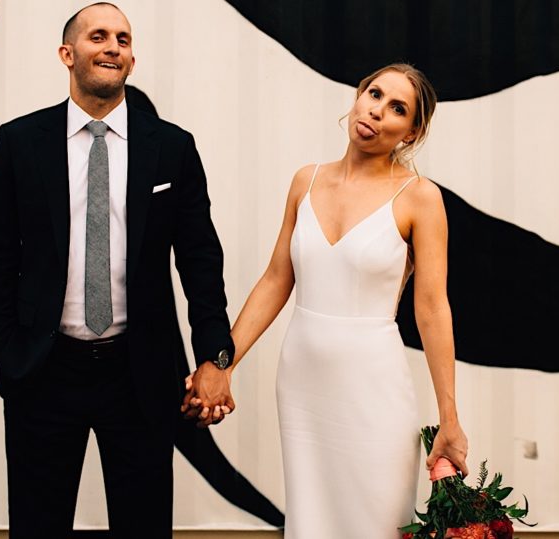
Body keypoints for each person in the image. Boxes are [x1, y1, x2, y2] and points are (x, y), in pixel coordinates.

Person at [0, 2, 235, 538]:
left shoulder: (172, 148)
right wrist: (8, 352)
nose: (112, 46)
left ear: (132, 61)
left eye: (123, 38)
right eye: (98, 36)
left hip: (139, 373)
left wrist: (214, 357)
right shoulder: (19, 142)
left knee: (143, 526)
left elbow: (201, 262)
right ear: (68, 54)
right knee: (37, 525)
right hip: (44, 371)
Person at [187, 63, 469, 536]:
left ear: (411, 131)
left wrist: (450, 418)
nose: (378, 111)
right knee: (311, 521)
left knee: (377, 521)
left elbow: (432, 309)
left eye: (397, 108)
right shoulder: (306, 180)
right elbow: (277, 279)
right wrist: (222, 364)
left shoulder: (420, 197)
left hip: (374, 386)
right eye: (375, 94)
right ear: (359, 95)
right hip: (302, 384)